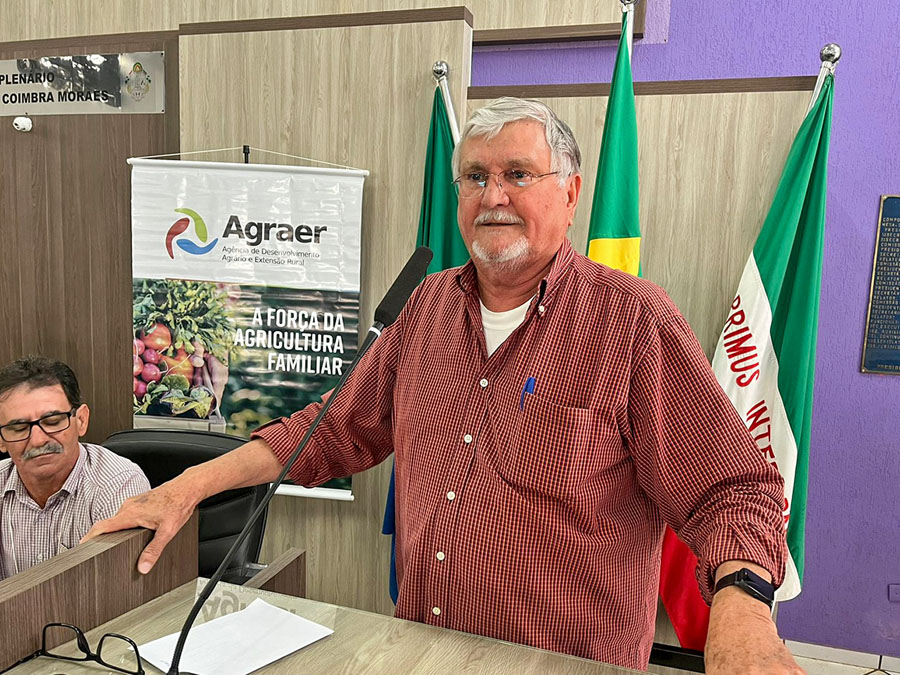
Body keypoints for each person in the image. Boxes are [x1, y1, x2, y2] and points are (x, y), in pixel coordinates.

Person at [87, 98, 802, 673]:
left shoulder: (632, 320)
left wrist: (743, 612)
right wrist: (188, 485)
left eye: (519, 175)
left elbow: (732, 489)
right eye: (476, 176)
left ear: (572, 192)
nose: (493, 196)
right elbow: (335, 428)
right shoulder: (424, 306)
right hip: (422, 651)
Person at [0, 356, 150, 580]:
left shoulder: (117, 486)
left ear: (81, 420)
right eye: (19, 428)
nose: (38, 440)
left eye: (53, 422)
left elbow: (118, 592)